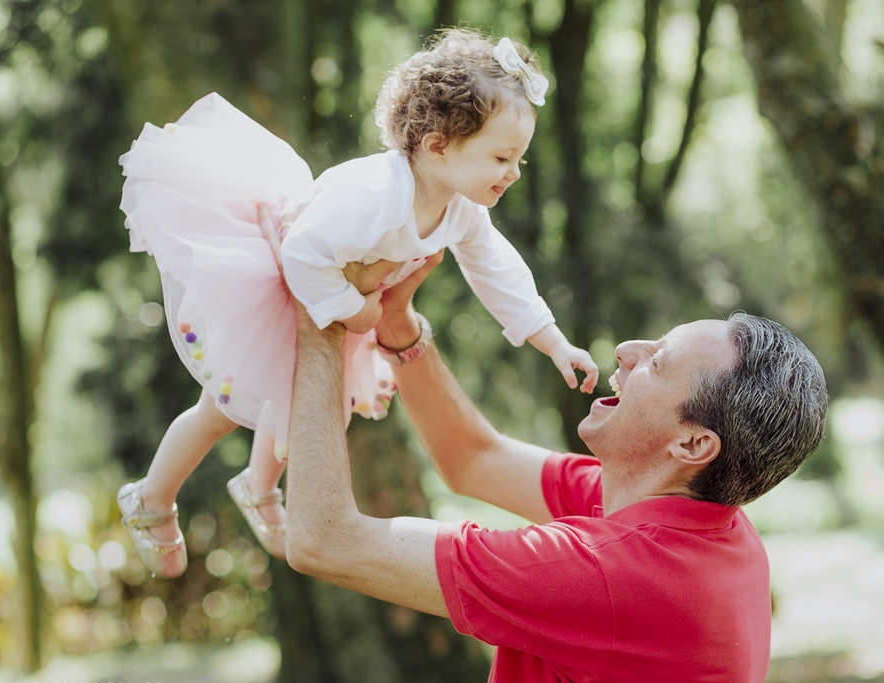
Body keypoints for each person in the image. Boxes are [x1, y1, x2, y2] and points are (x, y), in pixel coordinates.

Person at [275, 218, 830, 683]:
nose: (627, 352)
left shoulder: (611, 577)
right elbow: (473, 458)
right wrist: (398, 327)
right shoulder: (696, 518)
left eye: (657, 363)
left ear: (692, 445)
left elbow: (322, 539)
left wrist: (321, 313)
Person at [114, 30, 598, 578]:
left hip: (333, 302)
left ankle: (258, 485)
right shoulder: (376, 194)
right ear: (437, 146)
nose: (513, 172)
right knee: (224, 409)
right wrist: (356, 309)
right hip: (282, 285)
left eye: (519, 160)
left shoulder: (459, 207)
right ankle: (150, 497)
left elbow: (498, 271)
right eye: (502, 157)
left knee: (311, 407)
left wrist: (554, 343)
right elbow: (301, 253)